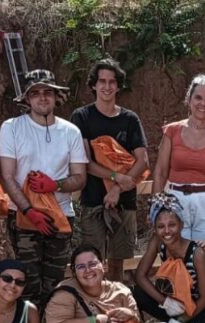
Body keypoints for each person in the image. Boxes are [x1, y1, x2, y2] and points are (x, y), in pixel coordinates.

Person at [0, 69, 88, 308]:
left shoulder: (71, 132)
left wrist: (56, 185)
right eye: (35, 93)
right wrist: (29, 211)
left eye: (47, 92)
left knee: (54, 286)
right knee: (25, 285)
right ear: (27, 98)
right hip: (22, 216)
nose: (42, 97)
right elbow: (7, 176)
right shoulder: (12, 127)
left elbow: (80, 177)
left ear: (56, 96)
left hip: (60, 215)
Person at [71, 58, 149, 282]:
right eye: (102, 81)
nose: (107, 86)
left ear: (118, 85)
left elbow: (142, 160)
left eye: (112, 81)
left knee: (118, 264)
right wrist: (116, 176)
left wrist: (116, 189)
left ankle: (117, 311)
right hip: (93, 201)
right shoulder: (82, 117)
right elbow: (84, 161)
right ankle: (94, 311)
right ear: (93, 85)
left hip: (124, 202)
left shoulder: (130, 119)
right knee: (91, 262)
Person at [134, 193, 205, 323]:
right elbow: (140, 276)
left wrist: (178, 322)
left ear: (181, 225)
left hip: (196, 311)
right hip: (173, 304)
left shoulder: (197, 254)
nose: (167, 231)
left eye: (172, 225)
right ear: (155, 229)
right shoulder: (158, 242)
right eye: (161, 226)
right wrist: (164, 301)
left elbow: (204, 298)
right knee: (137, 292)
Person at [152, 74, 205, 243]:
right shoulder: (171, 131)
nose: (203, 103)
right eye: (198, 97)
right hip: (175, 201)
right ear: (189, 100)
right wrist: (155, 207)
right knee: (176, 262)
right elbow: (160, 172)